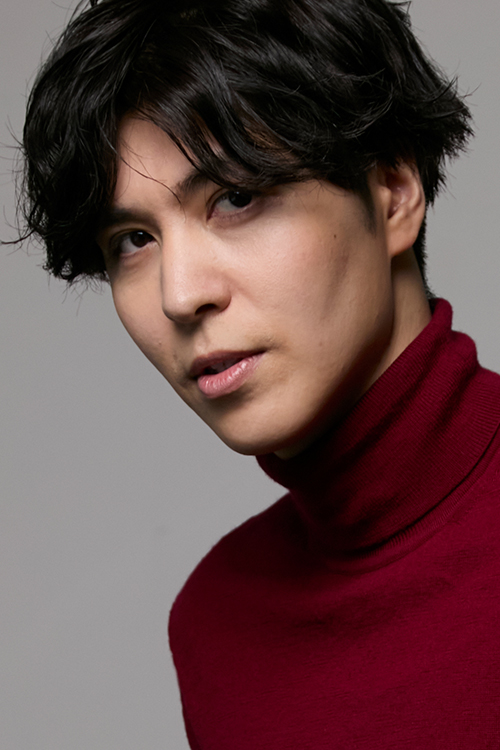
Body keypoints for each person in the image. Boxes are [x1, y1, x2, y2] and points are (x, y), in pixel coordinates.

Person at [16, 0, 500, 746]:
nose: (180, 295)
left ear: (393, 191)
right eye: (134, 240)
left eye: (235, 198)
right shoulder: (218, 626)